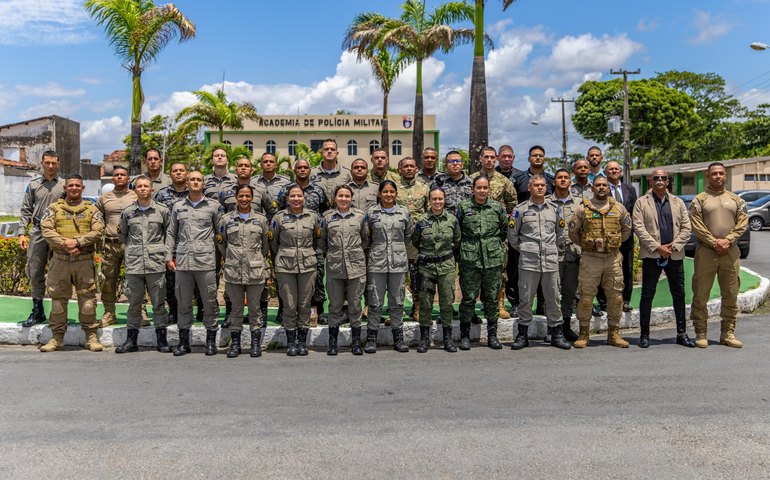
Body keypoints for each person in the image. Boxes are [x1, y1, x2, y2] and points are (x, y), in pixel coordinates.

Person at [38, 174, 105, 352]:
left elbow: (98, 231)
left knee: (88, 302)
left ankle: (91, 337)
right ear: (65, 188)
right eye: (71, 185)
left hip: (84, 262)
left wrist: (77, 242)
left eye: (77, 185)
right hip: (60, 261)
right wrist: (65, 244)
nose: (74, 188)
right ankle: (57, 339)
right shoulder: (53, 209)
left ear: (82, 188)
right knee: (58, 301)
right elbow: (46, 229)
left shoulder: (92, 210)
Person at [632, 169, 694, 348]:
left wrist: (672, 248)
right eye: (656, 178)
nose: (659, 180)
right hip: (652, 255)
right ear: (651, 181)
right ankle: (644, 335)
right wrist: (658, 247)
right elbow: (639, 227)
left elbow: (686, 228)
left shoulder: (678, 202)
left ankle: (681, 333)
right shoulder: (641, 203)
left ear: (668, 181)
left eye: (663, 178)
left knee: (679, 294)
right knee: (647, 295)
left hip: (674, 255)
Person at [508, 175, 571, 350]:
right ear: (529, 187)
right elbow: (513, 237)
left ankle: (556, 334)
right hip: (529, 261)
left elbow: (560, 233)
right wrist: (527, 249)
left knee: (553, 298)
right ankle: (522, 335)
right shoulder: (519, 210)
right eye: (536, 185)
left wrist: (550, 248)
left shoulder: (555, 210)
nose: (540, 188)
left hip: (550, 261)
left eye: (543, 185)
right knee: (525, 298)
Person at [688, 162, 748, 348]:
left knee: (731, 293)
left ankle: (728, 333)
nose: (718, 176)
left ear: (726, 176)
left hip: (730, 253)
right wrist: (715, 242)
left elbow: (742, 222)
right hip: (706, 252)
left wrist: (728, 240)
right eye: (714, 174)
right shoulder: (699, 200)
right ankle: (701, 332)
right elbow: (696, 225)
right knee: (700, 294)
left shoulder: (736, 200)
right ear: (708, 176)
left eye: (721, 173)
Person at [568, 176, 632, 348]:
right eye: (598, 185)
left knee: (616, 297)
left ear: (608, 188)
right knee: (586, 298)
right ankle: (583, 334)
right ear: (593, 188)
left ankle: (614, 333)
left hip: (612, 258)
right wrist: (586, 244)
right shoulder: (583, 209)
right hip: (590, 259)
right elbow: (573, 232)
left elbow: (626, 230)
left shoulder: (619, 208)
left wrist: (613, 243)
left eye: (604, 185)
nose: (602, 188)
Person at [165, 171, 222, 356]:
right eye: (192, 180)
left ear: (204, 184)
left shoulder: (213, 206)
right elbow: (171, 233)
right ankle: (183, 343)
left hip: (206, 262)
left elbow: (220, 234)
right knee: (183, 302)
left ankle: (211, 341)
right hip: (183, 262)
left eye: (199, 180)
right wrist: (168, 257)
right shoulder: (178, 207)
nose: (195, 182)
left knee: (210, 302)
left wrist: (222, 258)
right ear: (187, 183)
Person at [116, 176, 171, 353]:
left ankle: (162, 340)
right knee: (134, 303)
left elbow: (169, 236)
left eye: (146, 186)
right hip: (135, 264)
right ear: (135, 190)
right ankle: (131, 340)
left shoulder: (162, 211)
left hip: (156, 264)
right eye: (139, 186)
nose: (143, 189)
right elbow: (123, 235)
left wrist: (166, 256)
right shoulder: (127, 212)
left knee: (159, 303)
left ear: (152, 189)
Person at [269, 185, 323, 356]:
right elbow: (273, 242)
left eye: (299, 196)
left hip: (308, 265)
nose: (296, 199)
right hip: (285, 265)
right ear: (287, 199)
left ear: (304, 198)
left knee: (304, 303)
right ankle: (291, 342)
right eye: (292, 196)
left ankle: (302, 341)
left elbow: (318, 240)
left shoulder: (313, 217)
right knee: (289, 305)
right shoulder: (279, 217)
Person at [456, 175, 508, 350]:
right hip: (469, 259)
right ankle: (465, 335)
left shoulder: (497, 208)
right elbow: (457, 231)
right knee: (469, 297)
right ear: (473, 189)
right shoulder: (463, 207)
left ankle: (492, 335)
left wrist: (490, 245)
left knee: (492, 298)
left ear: (489, 190)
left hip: (492, 258)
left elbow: (503, 230)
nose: (482, 191)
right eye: (478, 187)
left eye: (485, 188)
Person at [218, 184, 270, 358]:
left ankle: (255, 344)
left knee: (255, 309)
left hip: (255, 270)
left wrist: (255, 259)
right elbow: (221, 243)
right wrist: (233, 258)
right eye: (241, 196)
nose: (244, 199)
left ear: (252, 198)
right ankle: (236, 344)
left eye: (248, 196)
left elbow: (265, 245)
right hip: (234, 271)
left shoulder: (261, 220)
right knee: (236, 308)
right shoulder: (226, 220)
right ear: (236, 197)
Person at [364, 180, 414, 353]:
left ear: (396, 193)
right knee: (375, 300)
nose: (388, 195)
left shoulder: (404, 212)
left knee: (397, 301)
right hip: (376, 262)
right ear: (379, 194)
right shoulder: (371, 213)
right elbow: (366, 237)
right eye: (385, 192)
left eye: (392, 192)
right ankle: (371, 339)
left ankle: (398, 339)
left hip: (398, 263)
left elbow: (408, 235)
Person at [277, 159, 329, 324]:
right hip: (290, 240)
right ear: (294, 169)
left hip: (313, 240)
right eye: (299, 167)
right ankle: (283, 309)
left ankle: (318, 311)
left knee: (317, 278)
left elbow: (325, 212)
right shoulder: (285, 190)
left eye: (305, 167)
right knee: (287, 282)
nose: (302, 170)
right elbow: (279, 211)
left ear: (310, 170)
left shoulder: (318, 190)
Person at [319, 185, 369, 355]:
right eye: (340, 196)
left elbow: (365, 239)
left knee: (355, 305)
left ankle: (356, 343)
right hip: (335, 268)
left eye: (347, 196)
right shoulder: (327, 218)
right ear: (335, 198)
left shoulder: (361, 217)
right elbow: (322, 242)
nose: (343, 199)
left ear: (351, 198)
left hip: (356, 267)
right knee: (335, 306)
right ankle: (333, 343)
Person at [17, 150, 65, 327]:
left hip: (59, 233)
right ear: (42, 163)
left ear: (58, 164)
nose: (50, 166)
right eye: (47, 163)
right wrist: (22, 232)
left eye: (54, 163)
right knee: (35, 270)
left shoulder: (65, 185)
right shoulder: (34, 184)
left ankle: (58, 311)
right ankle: (37, 310)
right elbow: (25, 210)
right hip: (38, 231)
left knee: (59, 271)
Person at [412, 187, 461, 352]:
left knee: (447, 302)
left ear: (444, 200)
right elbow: (416, 241)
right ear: (429, 200)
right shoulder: (422, 220)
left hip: (446, 265)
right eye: (434, 199)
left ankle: (447, 339)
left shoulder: (452, 220)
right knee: (425, 303)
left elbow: (457, 240)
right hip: (426, 267)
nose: (437, 202)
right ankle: (424, 339)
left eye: (440, 199)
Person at [471, 146, 517, 320]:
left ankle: (499, 304)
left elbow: (512, 206)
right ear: (481, 159)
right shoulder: (472, 179)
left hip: (496, 236)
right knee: (474, 272)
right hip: (475, 235)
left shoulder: (504, 181)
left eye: (492, 157)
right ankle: (474, 306)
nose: (489, 160)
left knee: (500, 270)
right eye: (486, 157)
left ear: (496, 159)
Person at [95, 165, 137, 327]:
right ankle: (109, 313)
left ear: (128, 178)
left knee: (135, 279)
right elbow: (97, 218)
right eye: (117, 175)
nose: (120, 177)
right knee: (107, 280)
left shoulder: (136, 196)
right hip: (110, 245)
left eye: (123, 175)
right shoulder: (104, 198)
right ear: (112, 179)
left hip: (131, 244)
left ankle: (138, 311)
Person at [253, 151, 290, 325]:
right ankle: (260, 310)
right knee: (259, 273)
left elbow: (283, 208)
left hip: (277, 234)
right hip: (256, 235)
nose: (268, 164)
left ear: (276, 164)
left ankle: (283, 308)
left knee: (280, 272)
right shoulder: (253, 183)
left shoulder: (285, 183)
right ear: (261, 164)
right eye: (265, 161)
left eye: (271, 161)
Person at [154, 162, 189, 324]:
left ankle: (192, 311)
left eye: (181, 170)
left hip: (190, 244)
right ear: (170, 174)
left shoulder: (195, 193)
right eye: (175, 171)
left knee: (192, 282)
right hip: (170, 244)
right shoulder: (162, 194)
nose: (178, 173)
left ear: (186, 173)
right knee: (171, 282)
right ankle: (174, 311)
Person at [548, 169, 581, 342]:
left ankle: (566, 326)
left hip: (574, 255)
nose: (562, 180)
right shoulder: (546, 202)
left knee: (569, 293)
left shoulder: (581, 203)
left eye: (566, 178)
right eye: (559, 178)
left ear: (570, 181)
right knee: (552, 292)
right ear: (554, 182)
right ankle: (552, 328)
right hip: (552, 255)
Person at [396, 156, 429, 322]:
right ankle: (398, 310)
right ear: (399, 170)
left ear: (416, 169)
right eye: (405, 166)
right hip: (397, 240)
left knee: (416, 275)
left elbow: (429, 213)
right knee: (398, 277)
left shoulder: (424, 188)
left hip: (417, 241)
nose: (409, 169)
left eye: (412, 166)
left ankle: (417, 308)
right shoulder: (393, 189)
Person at [603, 161, 637, 312]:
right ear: (605, 172)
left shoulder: (629, 188)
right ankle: (604, 302)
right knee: (606, 269)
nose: (614, 171)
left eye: (616, 168)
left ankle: (626, 300)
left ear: (620, 171)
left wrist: (632, 231)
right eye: (611, 169)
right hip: (607, 237)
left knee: (627, 269)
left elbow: (634, 211)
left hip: (627, 236)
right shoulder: (601, 188)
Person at [430, 150, 473, 215]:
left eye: (458, 161)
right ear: (446, 165)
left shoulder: (471, 182)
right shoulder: (438, 181)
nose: (455, 164)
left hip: (466, 221)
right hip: (445, 221)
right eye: (451, 161)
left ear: (462, 164)